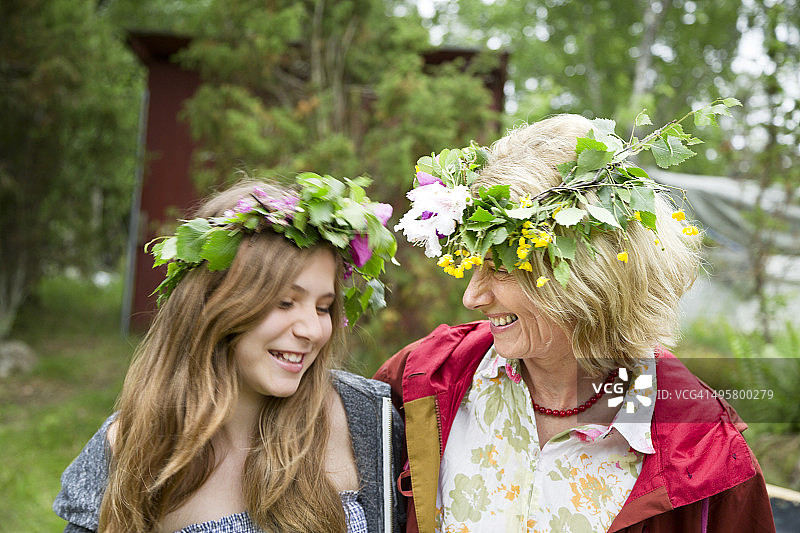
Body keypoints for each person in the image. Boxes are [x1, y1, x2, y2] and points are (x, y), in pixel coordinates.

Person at [380, 108, 775, 532]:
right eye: (475, 263)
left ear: (586, 277)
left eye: (501, 268)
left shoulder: (706, 452)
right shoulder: (424, 378)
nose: (472, 296)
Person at [54, 174, 405, 533]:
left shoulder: (366, 420)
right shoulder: (134, 445)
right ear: (215, 303)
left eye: (322, 308)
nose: (312, 331)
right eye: (285, 303)